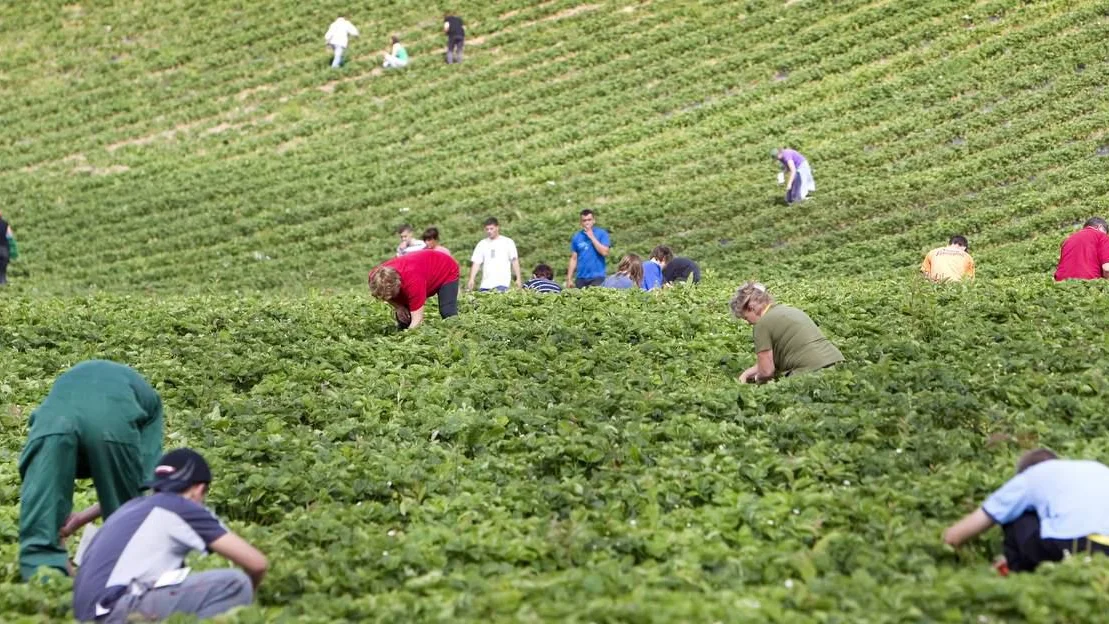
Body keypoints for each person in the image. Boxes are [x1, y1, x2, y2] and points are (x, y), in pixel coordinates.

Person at [72, 448, 268, 623]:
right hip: (115, 609)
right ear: (199, 489)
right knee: (235, 584)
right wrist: (247, 598)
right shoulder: (181, 506)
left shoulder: (131, 507)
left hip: (87, 613)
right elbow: (257, 564)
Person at [18, 360, 164, 581]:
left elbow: (45, 494)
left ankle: (47, 587)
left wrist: (73, 519)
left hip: (52, 423)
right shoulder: (150, 408)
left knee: (42, 525)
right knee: (126, 521)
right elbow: (137, 487)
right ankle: (122, 585)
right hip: (112, 424)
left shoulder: (144, 402)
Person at [942, 449, 1109, 573]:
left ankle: (1020, 579)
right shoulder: (1096, 468)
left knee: (1017, 513)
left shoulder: (1031, 476)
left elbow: (973, 524)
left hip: (1068, 545)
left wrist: (940, 544)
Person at [730, 282, 844, 383]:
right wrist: (746, 374)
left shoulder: (761, 324)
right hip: (837, 364)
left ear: (751, 308)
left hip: (810, 371)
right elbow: (769, 361)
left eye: (746, 318)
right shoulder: (790, 310)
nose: (748, 323)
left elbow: (766, 371)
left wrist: (757, 381)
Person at [369, 250, 460, 330]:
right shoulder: (375, 278)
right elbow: (384, 294)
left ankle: (458, 333)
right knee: (404, 319)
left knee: (447, 312)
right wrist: (398, 307)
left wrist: (406, 338)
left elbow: (417, 320)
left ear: (398, 284)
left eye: (391, 295)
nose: (388, 299)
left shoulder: (413, 282)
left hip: (445, 268)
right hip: (422, 270)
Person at [467, 217, 522, 292]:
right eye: (487, 229)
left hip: (502, 284)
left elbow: (514, 261)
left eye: (491, 229)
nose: (489, 231)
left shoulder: (508, 242)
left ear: (497, 228)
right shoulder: (482, 244)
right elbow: (476, 263)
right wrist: (471, 279)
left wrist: (518, 278)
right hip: (485, 284)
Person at [565, 209, 612, 289]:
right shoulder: (577, 237)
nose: (587, 222)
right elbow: (573, 258)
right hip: (581, 278)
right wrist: (569, 278)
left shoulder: (602, 234)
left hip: (597, 277)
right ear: (581, 222)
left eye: (589, 220)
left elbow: (605, 252)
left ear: (594, 220)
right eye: (584, 220)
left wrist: (592, 237)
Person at [0, 211, 13, 286]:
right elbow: (10, 236)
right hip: (4, 249)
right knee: (3, 269)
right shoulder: (5, 224)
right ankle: (3, 283)